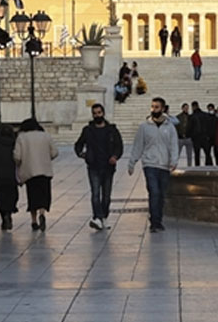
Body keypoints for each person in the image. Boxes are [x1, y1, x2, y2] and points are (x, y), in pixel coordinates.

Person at [126, 97, 180, 233]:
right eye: (152, 106)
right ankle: (154, 222)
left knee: (161, 194)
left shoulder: (170, 127)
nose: (154, 109)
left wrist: (174, 161)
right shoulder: (144, 127)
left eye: (156, 107)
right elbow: (138, 145)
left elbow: (174, 145)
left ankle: (158, 218)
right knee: (154, 191)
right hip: (149, 164)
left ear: (162, 109)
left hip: (164, 164)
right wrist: (132, 162)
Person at [75, 103, 124, 231]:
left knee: (106, 195)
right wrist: (81, 154)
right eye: (95, 113)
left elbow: (119, 145)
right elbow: (78, 144)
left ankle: (103, 217)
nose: (97, 115)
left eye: (99, 113)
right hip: (94, 166)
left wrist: (115, 156)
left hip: (108, 166)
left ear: (103, 113)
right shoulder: (88, 130)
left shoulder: (112, 130)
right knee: (95, 193)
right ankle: (98, 217)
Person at [13, 118, 58, 231]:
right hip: (44, 170)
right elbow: (55, 152)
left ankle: (33, 221)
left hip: (30, 171)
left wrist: (20, 163)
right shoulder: (46, 136)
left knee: (32, 196)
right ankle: (42, 213)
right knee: (43, 194)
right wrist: (47, 158)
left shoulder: (21, 138)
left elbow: (17, 156)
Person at [190, 100, 214, 166]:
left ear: (193, 107)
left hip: (196, 138)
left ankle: (197, 167)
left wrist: (191, 136)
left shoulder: (192, 116)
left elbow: (190, 128)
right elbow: (210, 126)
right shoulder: (205, 115)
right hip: (205, 137)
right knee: (207, 153)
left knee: (197, 154)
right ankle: (209, 166)